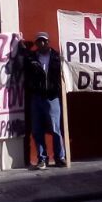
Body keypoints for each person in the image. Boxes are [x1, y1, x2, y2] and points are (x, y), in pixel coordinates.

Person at [24, 31, 66, 169]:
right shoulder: (31, 58)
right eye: (39, 41)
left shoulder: (56, 57)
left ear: (48, 42)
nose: (42, 43)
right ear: (36, 44)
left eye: (44, 41)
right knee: (37, 130)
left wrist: (57, 88)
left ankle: (60, 157)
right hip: (36, 97)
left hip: (52, 97)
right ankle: (42, 158)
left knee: (55, 129)